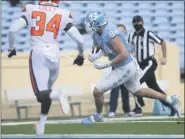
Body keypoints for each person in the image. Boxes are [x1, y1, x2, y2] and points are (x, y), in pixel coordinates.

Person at [81, 11, 179, 125]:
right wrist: (96, 54)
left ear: (97, 23)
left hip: (125, 66)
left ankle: (98, 116)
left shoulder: (109, 33)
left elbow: (123, 54)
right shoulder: (97, 32)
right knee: (139, 92)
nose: (88, 25)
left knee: (97, 91)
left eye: (90, 23)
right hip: (125, 65)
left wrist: (105, 64)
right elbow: (101, 45)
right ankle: (170, 100)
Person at [7, 0, 85, 135]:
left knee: (40, 95)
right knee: (46, 94)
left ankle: (58, 94)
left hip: (38, 53)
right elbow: (80, 40)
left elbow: (12, 30)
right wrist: (80, 55)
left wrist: (11, 48)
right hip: (55, 54)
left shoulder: (31, 9)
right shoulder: (63, 13)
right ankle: (41, 127)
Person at [127, 15, 177, 116]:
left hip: (149, 62)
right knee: (154, 88)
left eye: (139, 22)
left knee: (135, 82)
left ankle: (138, 108)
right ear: (132, 23)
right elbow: (130, 48)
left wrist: (164, 57)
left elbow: (162, 43)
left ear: (143, 22)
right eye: (135, 22)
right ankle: (172, 106)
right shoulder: (131, 35)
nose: (137, 24)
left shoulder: (148, 34)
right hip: (139, 64)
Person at [108, 24, 132, 118]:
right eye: (119, 30)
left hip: (126, 67)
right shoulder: (112, 42)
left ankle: (127, 110)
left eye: (123, 30)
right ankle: (112, 110)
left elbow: (132, 53)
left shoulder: (128, 41)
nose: (121, 31)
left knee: (125, 89)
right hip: (116, 67)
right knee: (115, 89)